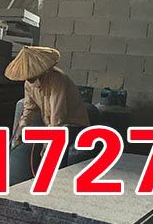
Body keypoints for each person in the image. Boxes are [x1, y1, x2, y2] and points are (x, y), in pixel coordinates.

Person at [5, 46, 91, 182]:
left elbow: (58, 114)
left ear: (41, 71)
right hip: (52, 125)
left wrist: (49, 140)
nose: (30, 80)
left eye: (32, 77)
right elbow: (29, 108)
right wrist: (22, 126)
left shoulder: (58, 79)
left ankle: (57, 183)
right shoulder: (28, 84)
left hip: (72, 125)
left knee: (56, 150)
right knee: (32, 146)